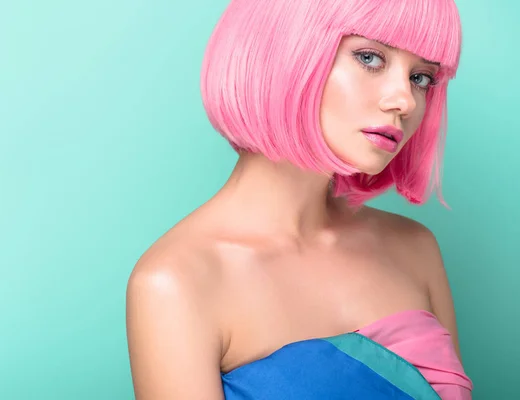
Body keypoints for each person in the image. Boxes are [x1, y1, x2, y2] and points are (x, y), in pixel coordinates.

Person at [126, 0, 474, 398]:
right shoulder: (177, 282)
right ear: (285, 51)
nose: (405, 101)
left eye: (421, 78)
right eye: (369, 57)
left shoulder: (415, 248)